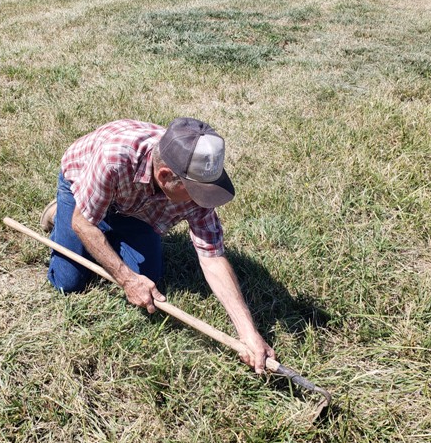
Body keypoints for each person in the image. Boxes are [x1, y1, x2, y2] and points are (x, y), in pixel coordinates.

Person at [41, 117, 275, 373]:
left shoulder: (193, 178)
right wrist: (127, 279)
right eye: (197, 192)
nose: (204, 201)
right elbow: (84, 225)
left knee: (149, 278)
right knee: (67, 282)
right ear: (165, 176)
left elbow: (212, 257)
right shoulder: (114, 158)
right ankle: (63, 214)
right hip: (82, 183)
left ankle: (104, 224)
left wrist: (248, 332)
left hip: (133, 208)